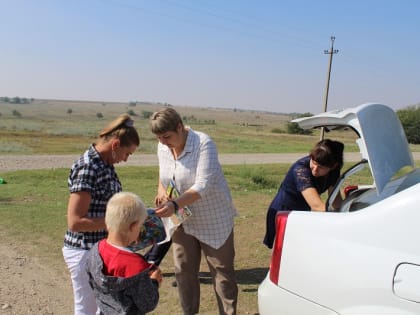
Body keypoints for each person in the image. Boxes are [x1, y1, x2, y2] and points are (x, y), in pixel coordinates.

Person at [149, 107, 238, 315]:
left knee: (222, 273)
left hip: (213, 219)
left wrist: (173, 204)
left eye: (167, 136)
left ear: (180, 127)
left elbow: (202, 186)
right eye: (159, 138)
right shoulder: (162, 146)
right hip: (182, 219)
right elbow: (164, 175)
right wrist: (162, 192)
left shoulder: (203, 143)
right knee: (183, 271)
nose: (162, 142)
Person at [62, 114, 140, 315]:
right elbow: (75, 222)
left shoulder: (105, 164)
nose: (126, 159)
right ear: (115, 144)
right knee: (87, 309)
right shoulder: (88, 167)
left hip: (98, 249)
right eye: (127, 153)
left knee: (103, 308)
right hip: (83, 251)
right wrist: (118, 224)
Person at [86, 192, 162, 315]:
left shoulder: (96, 249)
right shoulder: (136, 265)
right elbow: (148, 303)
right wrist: (154, 281)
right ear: (133, 226)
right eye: (140, 227)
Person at [263, 139, 344, 249]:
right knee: (283, 252)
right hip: (285, 211)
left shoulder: (334, 171)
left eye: (321, 167)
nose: (315, 169)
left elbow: (336, 200)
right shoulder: (301, 169)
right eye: (314, 163)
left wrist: (345, 213)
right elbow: (317, 206)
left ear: (333, 166)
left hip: (302, 211)